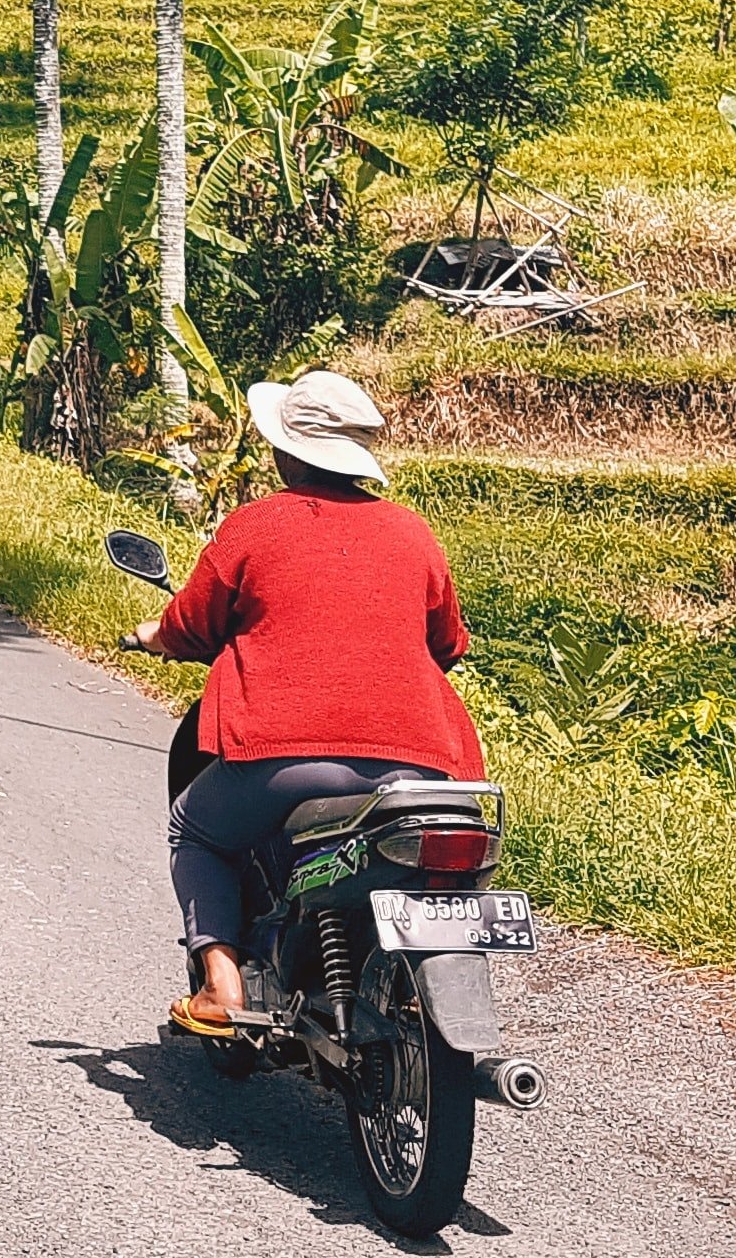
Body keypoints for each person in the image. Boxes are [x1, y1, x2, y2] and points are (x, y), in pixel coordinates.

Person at [132, 368, 480, 1037]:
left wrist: (154, 636)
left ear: (287, 451)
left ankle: (222, 983)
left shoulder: (255, 526)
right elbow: (448, 643)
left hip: (283, 756)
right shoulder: (414, 533)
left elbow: (194, 625)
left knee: (194, 829)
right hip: (420, 768)